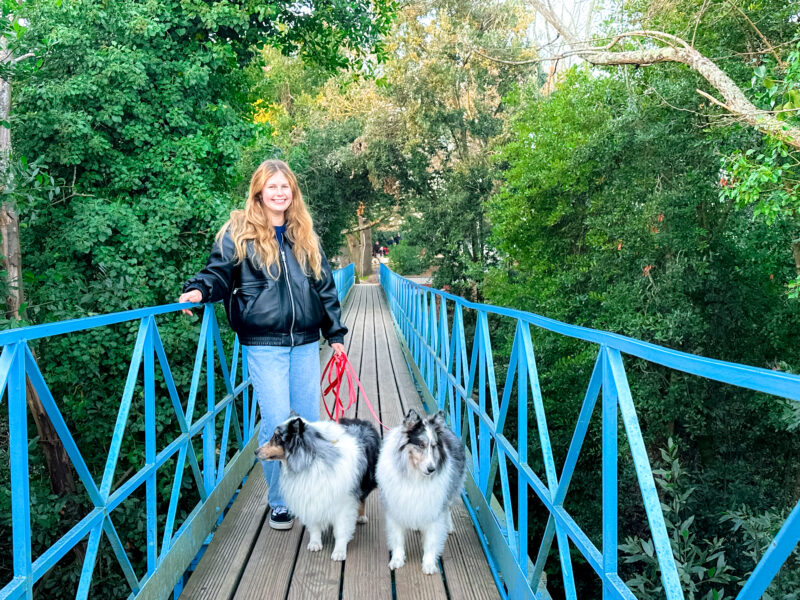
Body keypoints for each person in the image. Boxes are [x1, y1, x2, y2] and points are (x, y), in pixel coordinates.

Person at [178, 159, 347, 530]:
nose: (279, 193)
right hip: (263, 342)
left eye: (285, 186)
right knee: (276, 420)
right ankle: (279, 500)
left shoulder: (304, 232)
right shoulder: (239, 230)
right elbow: (218, 272)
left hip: (304, 342)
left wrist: (335, 334)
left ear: (293, 192)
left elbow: (325, 287)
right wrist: (198, 290)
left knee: (303, 423)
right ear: (259, 190)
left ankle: (305, 491)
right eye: (272, 186)